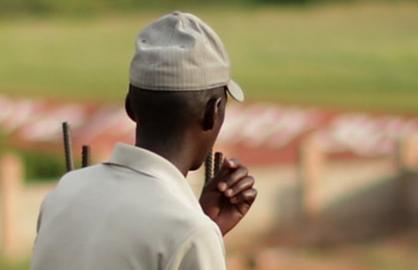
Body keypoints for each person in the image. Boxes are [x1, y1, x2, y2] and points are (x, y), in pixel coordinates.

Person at [31, 11, 257, 270]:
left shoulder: (65, 191)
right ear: (213, 112)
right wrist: (198, 231)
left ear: (129, 107)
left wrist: (200, 221)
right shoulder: (189, 231)